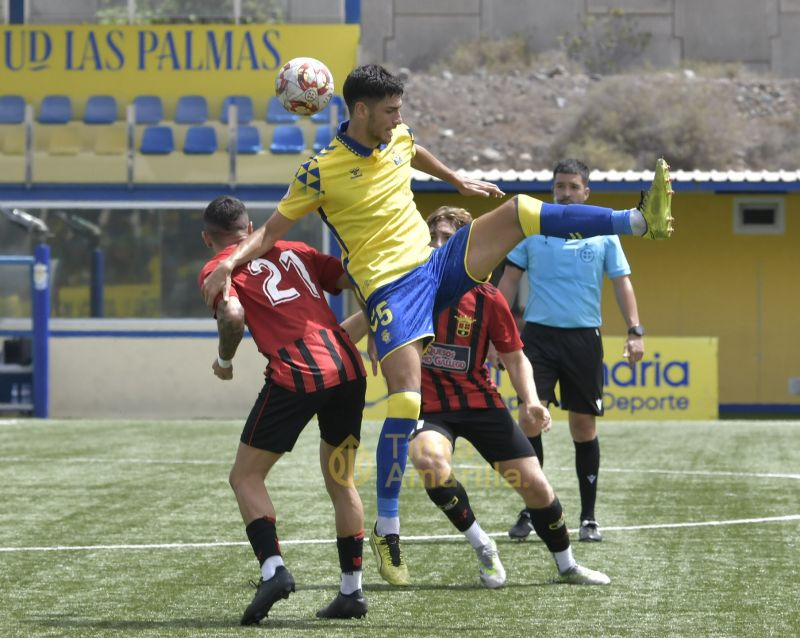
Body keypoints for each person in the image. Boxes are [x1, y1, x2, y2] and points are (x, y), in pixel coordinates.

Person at [200, 64, 673, 586]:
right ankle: (388, 529)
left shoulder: (397, 135)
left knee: (518, 210)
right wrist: (228, 263)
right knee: (405, 398)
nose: (399, 118)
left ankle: (635, 220)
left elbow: (413, 150)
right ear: (359, 111)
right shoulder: (320, 171)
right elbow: (268, 231)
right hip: (390, 288)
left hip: (434, 265)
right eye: (390, 110)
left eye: (400, 109)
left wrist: (454, 178)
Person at [409, 206, 610, 587]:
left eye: (446, 240)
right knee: (428, 459)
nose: (436, 246)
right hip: (432, 408)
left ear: (466, 248)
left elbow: (516, 358)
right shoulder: (412, 287)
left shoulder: (488, 299)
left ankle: (567, 565)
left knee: (536, 485)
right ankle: (484, 547)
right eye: (431, 238)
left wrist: (532, 401)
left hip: (481, 404)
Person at [198, 196, 369, 624]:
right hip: (349, 368)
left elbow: (233, 316)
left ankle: (273, 570)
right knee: (341, 479)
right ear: (251, 224)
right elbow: (355, 277)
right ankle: (352, 591)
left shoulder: (218, 266)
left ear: (208, 239)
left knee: (245, 475)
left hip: (299, 374)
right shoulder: (295, 249)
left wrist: (224, 361)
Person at [498, 159, 645, 543]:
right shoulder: (534, 229)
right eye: (559, 186)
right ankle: (534, 510)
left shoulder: (604, 234)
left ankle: (589, 518)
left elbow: (622, 284)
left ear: (586, 193)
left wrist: (635, 330)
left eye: (573, 187)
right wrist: (494, 336)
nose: (565, 193)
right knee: (530, 419)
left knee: (583, 428)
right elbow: (508, 281)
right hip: (539, 340)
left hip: (584, 339)